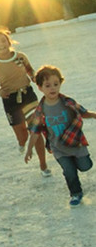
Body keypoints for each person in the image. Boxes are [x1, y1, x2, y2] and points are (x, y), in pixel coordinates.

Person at [25, 65, 96, 206]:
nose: (52, 88)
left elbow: (82, 112)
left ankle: (76, 163)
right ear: (40, 88)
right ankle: (76, 194)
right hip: (58, 148)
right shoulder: (41, 110)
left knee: (85, 166)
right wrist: (29, 149)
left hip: (76, 144)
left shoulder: (67, 102)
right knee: (69, 171)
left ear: (60, 84)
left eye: (56, 84)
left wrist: (94, 115)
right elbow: (35, 131)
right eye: (48, 85)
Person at [0, 28, 51, 177]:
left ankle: (43, 165)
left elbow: (30, 71)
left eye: (3, 40)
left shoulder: (20, 56)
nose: (1, 44)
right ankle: (22, 142)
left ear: (9, 42)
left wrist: (35, 78)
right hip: (10, 100)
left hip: (27, 95)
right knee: (23, 136)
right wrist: (0, 91)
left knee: (35, 130)